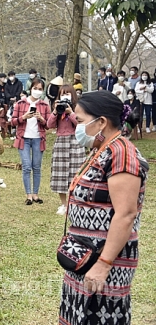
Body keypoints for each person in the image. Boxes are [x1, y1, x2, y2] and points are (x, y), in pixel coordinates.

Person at [59, 91, 148, 325]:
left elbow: (126, 213)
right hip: (84, 257)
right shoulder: (102, 150)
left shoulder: (122, 154)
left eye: (79, 121)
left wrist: (103, 264)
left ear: (101, 122)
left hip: (105, 261)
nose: (77, 127)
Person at [11, 79, 51, 205]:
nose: (37, 91)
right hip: (24, 138)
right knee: (27, 166)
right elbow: (12, 122)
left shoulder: (44, 105)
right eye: (36, 88)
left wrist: (41, 118)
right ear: (30, 88)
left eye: (40, 89)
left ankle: (35, 194)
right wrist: (24, 117)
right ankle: (28, 194)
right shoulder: (20, 103)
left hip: (38, 138)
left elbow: (49, 124)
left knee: (37, 167)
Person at [47, 84, 84, 215]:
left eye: (67, 93)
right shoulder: (58, 108)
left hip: (75, 141)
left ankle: (74, 203)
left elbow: (81, 124)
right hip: (60, 142)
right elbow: (49, 125)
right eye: (62, 93)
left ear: (72, 95)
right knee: (60, 174)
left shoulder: (78, 108)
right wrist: (56, 111)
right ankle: (63, 204)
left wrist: (71, 113)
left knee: (76, 173)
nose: (65, 96)